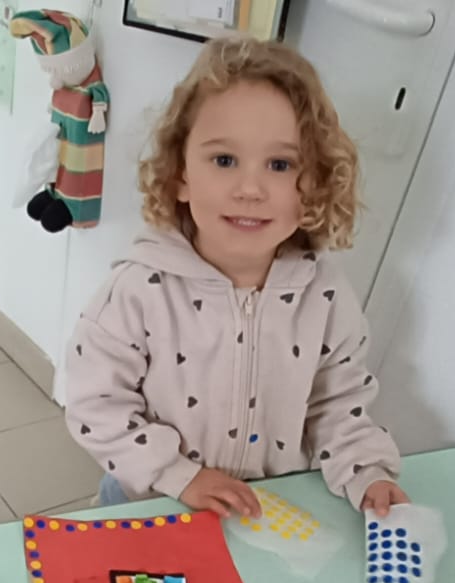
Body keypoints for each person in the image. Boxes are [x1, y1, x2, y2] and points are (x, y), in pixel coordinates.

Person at [63, 36, 407, 519]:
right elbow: (94, 404)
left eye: (280, 165)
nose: (250, 188)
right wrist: (179, 475)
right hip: (152, 503)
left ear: (314, 183)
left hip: (263, 512)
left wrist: (367, 472)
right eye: (224, 160)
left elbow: (338, 405)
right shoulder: (138, 291)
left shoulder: (326, 296)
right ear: (181, 174)